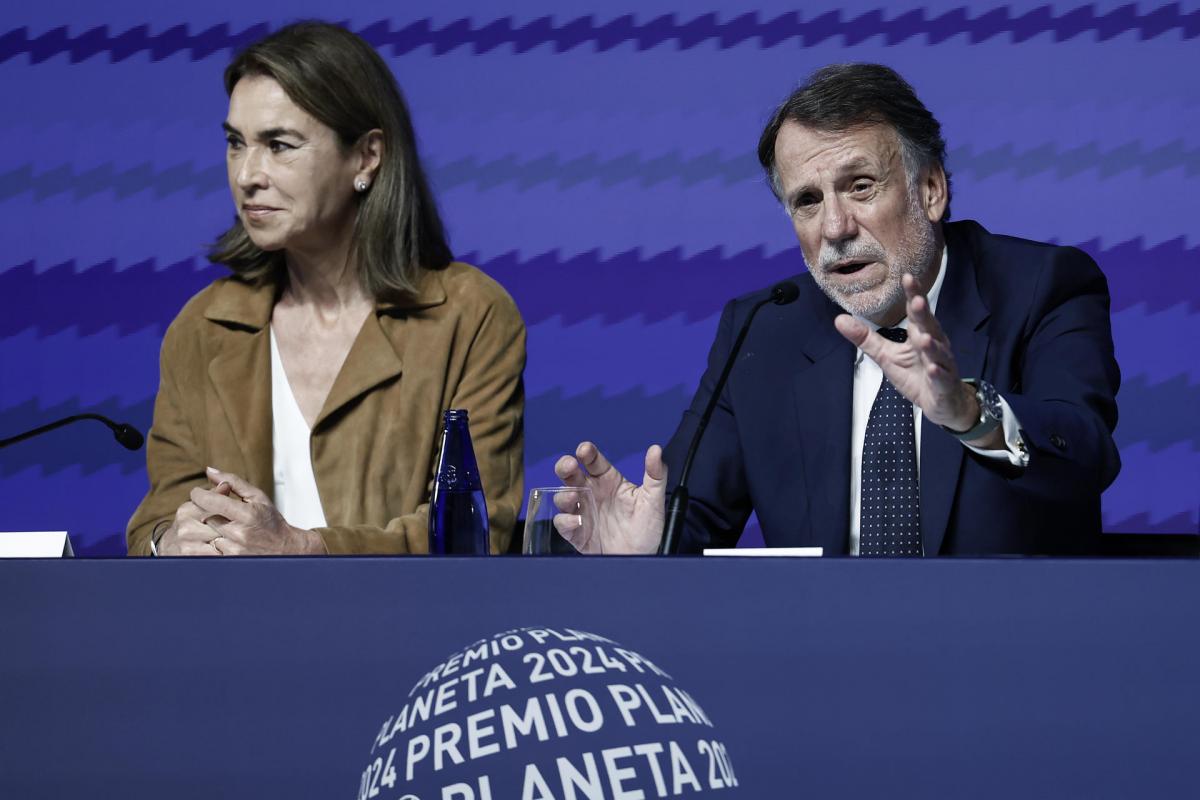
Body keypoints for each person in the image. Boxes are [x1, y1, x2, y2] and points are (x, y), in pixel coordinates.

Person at [556, 63, 1120, 556]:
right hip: (819, 659)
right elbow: (692, 519)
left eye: (861, 186)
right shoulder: (764, 330)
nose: (835, 229)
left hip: (1004, 652)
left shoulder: (1041, 287)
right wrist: (644, 549)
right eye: (807, 200)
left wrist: (970, 413)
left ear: (930, 189)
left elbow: (1086, 459)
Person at [127, 22, 525, 556]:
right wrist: (168, 543)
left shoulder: (469, 315)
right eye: (235, 143)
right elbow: (158, 517)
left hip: (409, 634)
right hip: (233, 633)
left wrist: (303, 548)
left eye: (278, 145)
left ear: (366, 157)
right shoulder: (203, 326)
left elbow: (477, 531)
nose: (246, 174)